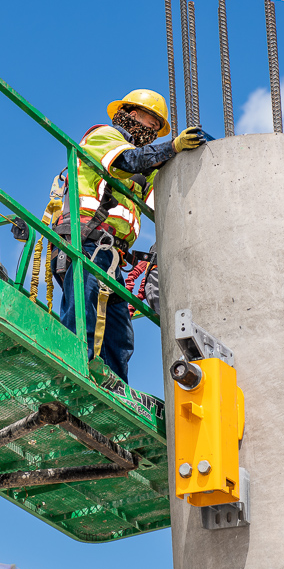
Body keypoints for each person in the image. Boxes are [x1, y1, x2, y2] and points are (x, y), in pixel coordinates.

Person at [55, 90, 205, 382]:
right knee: (83, 322)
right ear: (133, 113)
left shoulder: (143, 166)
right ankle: (71, 375)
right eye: (152, 120)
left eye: (159, 127)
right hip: (86, 244)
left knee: (120, 339)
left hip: (112, 257)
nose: (154, 129)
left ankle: (114, 389)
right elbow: (128, 162)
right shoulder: (103, 136)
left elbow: (159, 194)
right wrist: (172, 147)